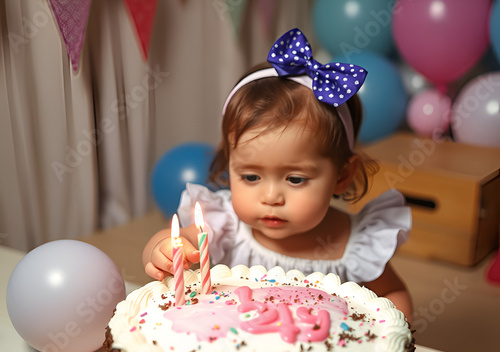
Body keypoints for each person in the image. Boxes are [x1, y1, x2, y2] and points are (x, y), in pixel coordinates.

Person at [143, 28, 413, 320]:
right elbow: (175, 241)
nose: (271, 197)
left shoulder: (354, 244)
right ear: (230, 164)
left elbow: (392, 295)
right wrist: (163, 251)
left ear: (341, 176)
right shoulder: (225, 226)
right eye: (250, 177)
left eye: (295, 179)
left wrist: (394, 336)